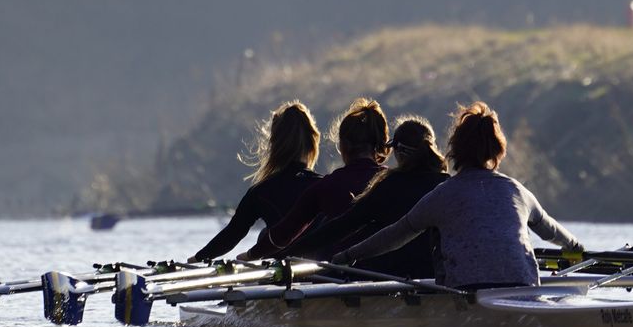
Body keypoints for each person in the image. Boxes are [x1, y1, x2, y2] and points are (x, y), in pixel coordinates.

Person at [332, 102, 584, 290]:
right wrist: (577, 248)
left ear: (455, 149)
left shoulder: (443, 195)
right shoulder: (517, 191)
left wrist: (347, 256)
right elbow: (553, 231)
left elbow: (394, 236)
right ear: (498, 150)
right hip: (525, 288)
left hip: (468, 293)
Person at [264, 116, 450, 279]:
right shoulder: (447, 185)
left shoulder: (389, 185)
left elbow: (343, 226)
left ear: (398, 151)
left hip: (390, 282)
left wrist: (288, 253)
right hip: (436, 280)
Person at [237, 98, 389, 260]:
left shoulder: (326, 186)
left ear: (343, 145)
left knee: (265, 235)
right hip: (393, 276)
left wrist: (249, 256)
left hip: (340, 276)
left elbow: (282, 235)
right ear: (380, 144)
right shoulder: (395, 181)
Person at [186, 102, 322, 263]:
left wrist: (197, 258)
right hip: (324, 270)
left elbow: (232, 234)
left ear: (274, 144)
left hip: (280, 270)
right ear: (312, 143)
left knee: (265, 234)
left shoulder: (261, 191)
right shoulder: (325, 185)